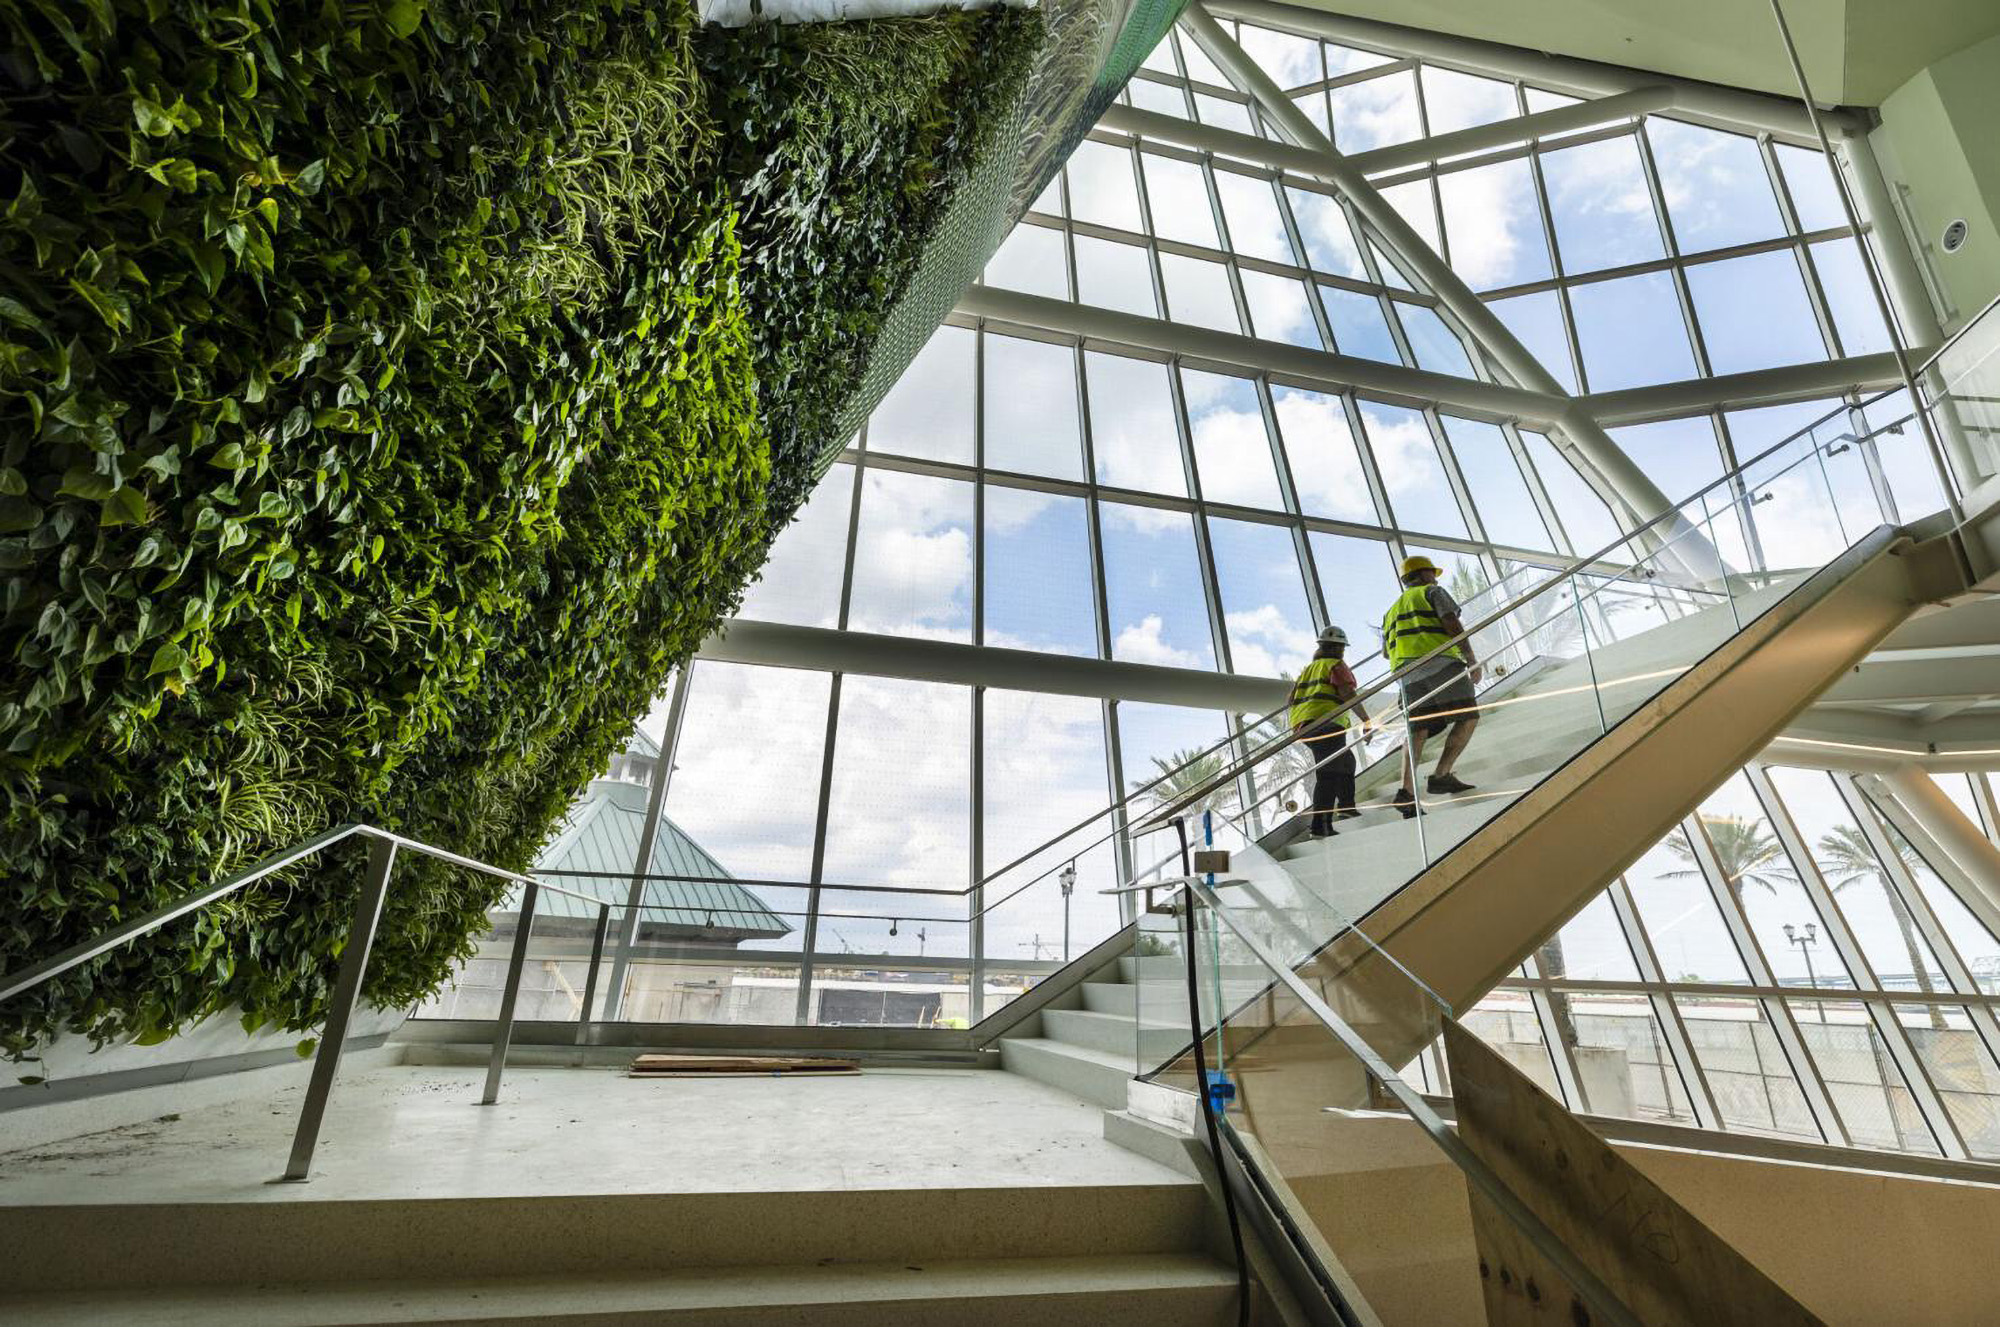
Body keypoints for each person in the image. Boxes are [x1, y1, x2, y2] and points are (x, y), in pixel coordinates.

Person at [1381, 555, 1481, 818]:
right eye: (1432, 573)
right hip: (1441, 664)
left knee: (1417, 730)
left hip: (1406, 676)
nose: (1435, 577)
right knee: (1468, 717)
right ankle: (1441, 775)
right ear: (1423, 574)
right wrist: (1471, 658)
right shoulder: (1432, 591)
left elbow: (1384, 652)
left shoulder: (1390, 612)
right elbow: (1451, 623)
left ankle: (1406, 792)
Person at [1288, 625, 1368, 838]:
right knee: (1329, 774)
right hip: (1326, 722)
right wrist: (1366, 719)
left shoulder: (1308, 669)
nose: (1342, 651)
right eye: (1342, 647)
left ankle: (1346, 806)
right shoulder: (1336, 665)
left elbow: (1290, 699)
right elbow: (1348, 693)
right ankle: (1320, 826)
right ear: (1339, 648)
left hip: (1304, 725)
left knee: (1346, 761)